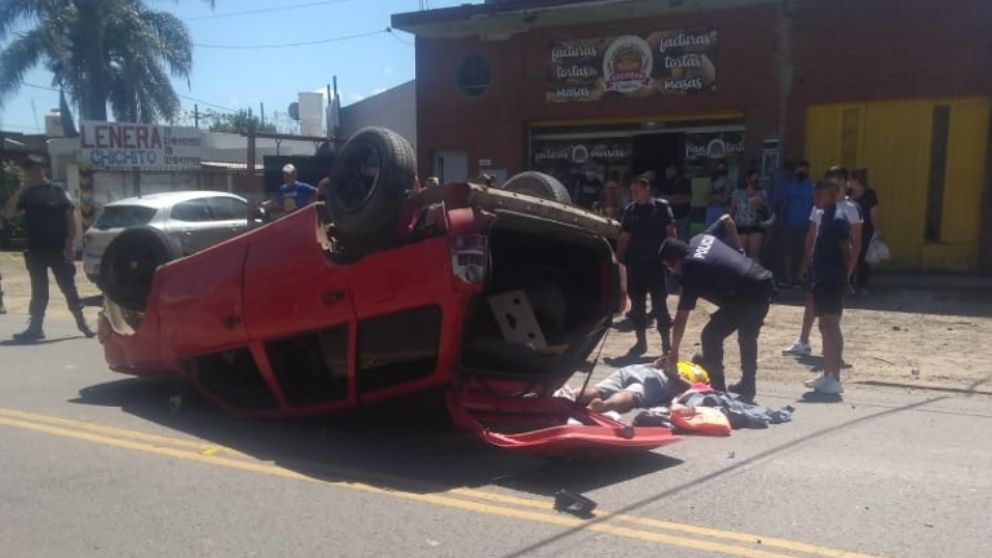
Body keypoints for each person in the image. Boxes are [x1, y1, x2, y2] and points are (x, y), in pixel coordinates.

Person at [660, 214, 776, 402]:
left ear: (675, 261)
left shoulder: (690, 270)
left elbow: (681, 318)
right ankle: (748, 385)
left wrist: (674, 354)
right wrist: (740, 250)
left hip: (747, 294)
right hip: (762, 281)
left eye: (670, 267)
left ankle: (718, 390)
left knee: (710, 335)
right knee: (747, 336)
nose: (673, 271)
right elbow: (727, 219)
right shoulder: (700, 239)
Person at [2, 154, 94, 341]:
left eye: (38, 168)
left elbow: (70, 218)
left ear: (45, 169)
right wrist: (21, 191)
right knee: (39, 290)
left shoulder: (57, 190)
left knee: (68, 287)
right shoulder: (26, 193)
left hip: (58, 248)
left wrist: (70, 244)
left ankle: (82, 322)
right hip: (35, 250)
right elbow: (8, 214)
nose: (34, 172)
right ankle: (36, 328)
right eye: (30, 169)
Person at [783, 167, 862, 356]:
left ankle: (832, 354)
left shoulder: (851, 209)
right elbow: (811, 236)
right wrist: (805, 262)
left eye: (837, 179)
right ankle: (803, 340)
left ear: (844, 183)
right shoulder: (819, 207)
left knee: (832, 313)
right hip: (817, 264)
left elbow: (854, 242)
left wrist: (848, 270)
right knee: (811, 300)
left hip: (835, 267)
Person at [617, 174, 676, 356]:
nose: (633, 194)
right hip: (635, 264)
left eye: (637, 191)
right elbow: (624, 237)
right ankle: (641, 343)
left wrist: (672, 258)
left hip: (656, 264)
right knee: (637, 306)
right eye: (632, 191)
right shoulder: (630, 210)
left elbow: (671, 233)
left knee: (660, 305)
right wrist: (618, 260)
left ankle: (666, 344)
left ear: (646, 189)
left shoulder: (661, 207)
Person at [805, 180, 854, 395]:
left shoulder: (838, 220)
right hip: (821, 279)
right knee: (823, 326)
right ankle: (827, 373)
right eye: (815, 195)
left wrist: (846, 277)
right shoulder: (824, 217)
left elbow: (847, 251)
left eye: (820, 196)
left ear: (833, 196)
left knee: (831, 325)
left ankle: (835, 378)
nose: (816, 200)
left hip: (833, 280)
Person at [562, 358, 707, 414]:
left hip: (638, 368)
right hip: (658, 381)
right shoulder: (702, 373)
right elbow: (696, 389)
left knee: (598, 390)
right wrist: (674, 375)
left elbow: (658, 363)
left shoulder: (679, 361)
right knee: (630, 395)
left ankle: (565, 396)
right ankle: (603, 406)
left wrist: (657, 364)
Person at [773, 160, 814, 286]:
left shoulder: (811, 186)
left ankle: (800, 277)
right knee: (788, 252)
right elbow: (782, 204)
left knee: (803, 252)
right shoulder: (788, 186)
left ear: (808, 171)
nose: (802, 171)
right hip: (789, 224)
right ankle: (787, 277)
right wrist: (781, 220)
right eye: (799, 169)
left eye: (804, 169)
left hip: (806, 225)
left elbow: (815, 205)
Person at [847, 168, 881, 294]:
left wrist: (877, 229)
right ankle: (848, 283)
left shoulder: (870, 194)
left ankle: (862, 285)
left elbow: (874, 213)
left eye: (850, 179)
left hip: (865, 229)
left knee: (863, 258)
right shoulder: (849, 193)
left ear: (856, 180)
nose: (848, 182)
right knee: (849, 255)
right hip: (850, 229)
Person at [728, 169, 767, 258]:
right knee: (742, 256)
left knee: (754, 255)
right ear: (747, 179)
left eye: (756, 178)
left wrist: (759, 204)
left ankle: (755, 272)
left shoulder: (761, 192)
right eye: (753, 177)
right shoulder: (737, 193)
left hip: (756, 225)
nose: (755, 180)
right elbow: (732, 209)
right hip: (741, 226)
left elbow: (765, 209)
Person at [658, 163, 692, 240]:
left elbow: (686, 199)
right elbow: (661, 198)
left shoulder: (684, 181)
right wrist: (676, 197)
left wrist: (669, 199)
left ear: (675, 170)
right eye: (667, 169)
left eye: (670, 169)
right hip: (668, 219)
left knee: (683, 241)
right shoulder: (664, 182)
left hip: (682, 217)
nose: (667, 171)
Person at [704, 161, 731, 227]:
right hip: (711, 210)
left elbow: (725, 199)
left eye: (722, 168)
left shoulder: (728, 182)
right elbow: (706, 199)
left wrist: (713, 198)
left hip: (722, 210)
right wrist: (717, 197)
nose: (720, 170)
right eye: (719, 168)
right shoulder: (712, 182)